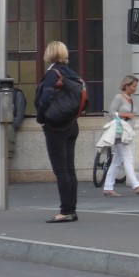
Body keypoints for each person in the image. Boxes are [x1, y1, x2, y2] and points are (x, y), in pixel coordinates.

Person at [36, 41, 82, 223]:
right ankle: (72, 209)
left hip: (55, 127)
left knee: (61, 170)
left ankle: (65, 211)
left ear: (49, 54)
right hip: (71, 124)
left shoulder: (52, 73)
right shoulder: (71, 73)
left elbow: (45, 98)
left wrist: (40, 117)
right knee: (70, 169)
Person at [103, 75, 139, 197]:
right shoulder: (119, 97)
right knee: (128, 159)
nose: (135, 88)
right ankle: (136, 185)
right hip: (120, 133)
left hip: (126, 134)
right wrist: (126, 114)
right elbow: (111, 113)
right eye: (134, 86)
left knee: (117, 161)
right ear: (126, 86)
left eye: (136, 86)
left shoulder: (131, 99)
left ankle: (108, 187)